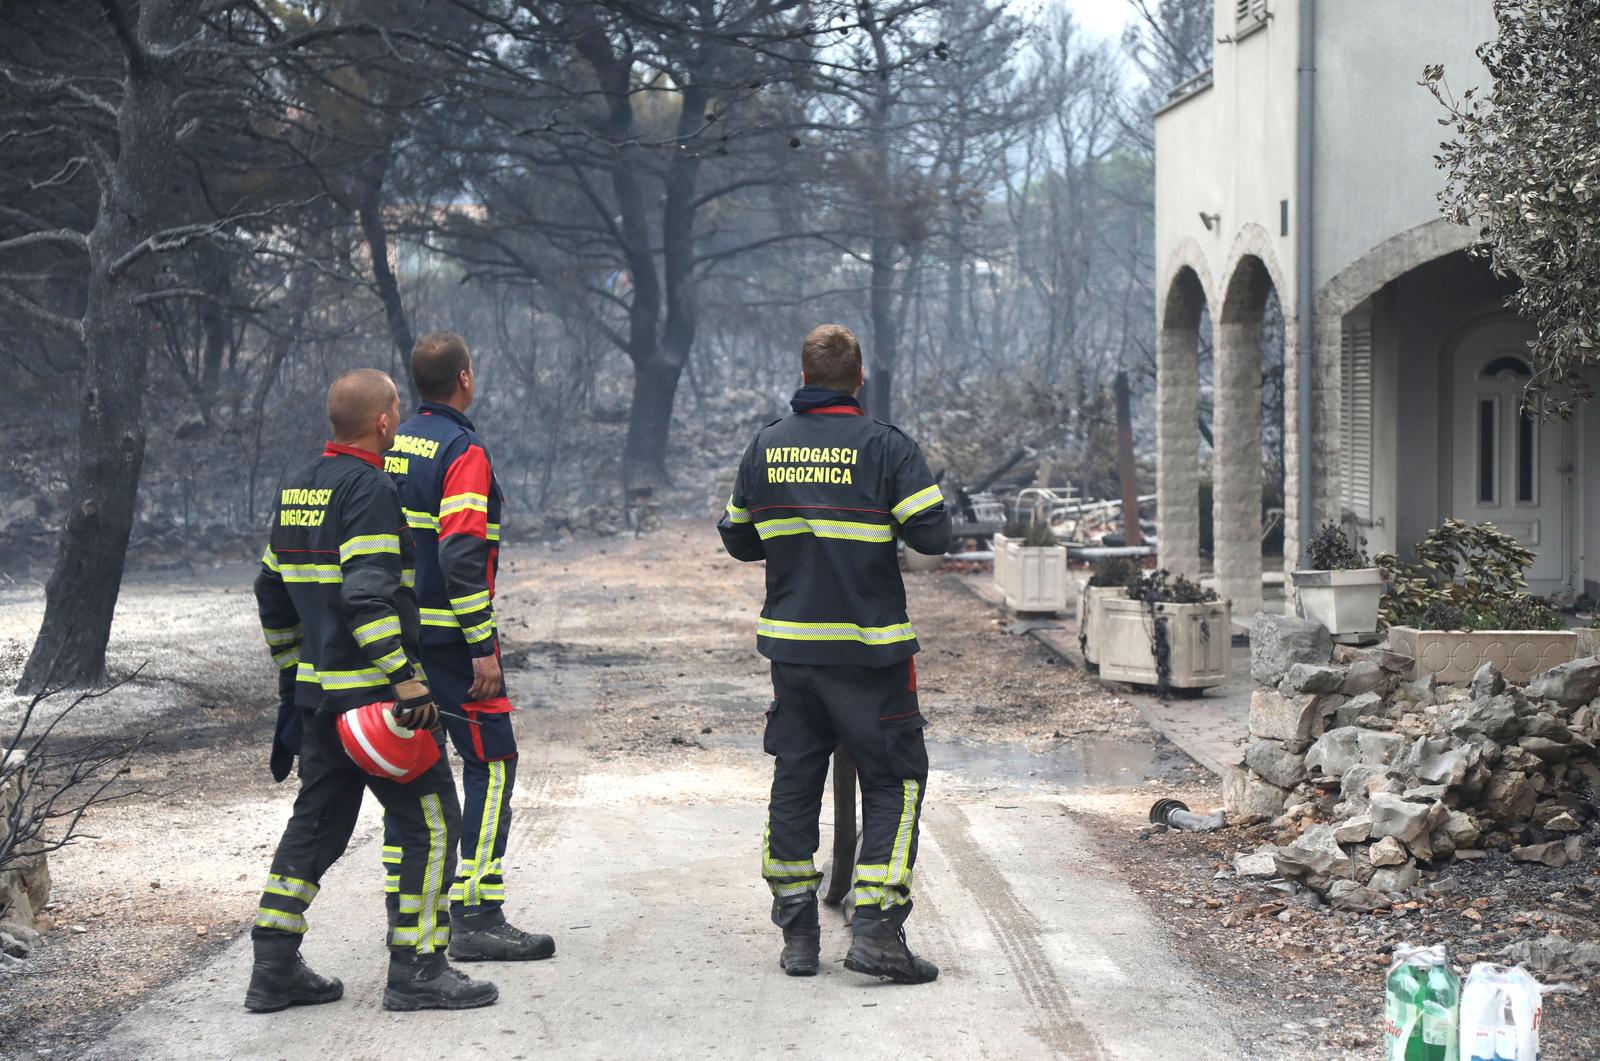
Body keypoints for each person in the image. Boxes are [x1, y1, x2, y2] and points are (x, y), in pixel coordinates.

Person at [247, 368, 498, 1013]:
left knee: (317, 827)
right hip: (377, 706)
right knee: (432, 822)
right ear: (385, 421)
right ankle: (418, 968)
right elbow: (367, 595)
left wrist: (291, 675)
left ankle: (273, 965)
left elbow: (271, 593)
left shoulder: (297, 486)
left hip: (317, 701)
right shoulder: (370, 490)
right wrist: (406, 679)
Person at [718, 324, 952, 984]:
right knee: (896, 780)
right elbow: (934, 533)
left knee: (795, 778)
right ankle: (876, 930)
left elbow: (738, 536)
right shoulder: (883, 447)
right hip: (870, 657)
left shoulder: (766, 446)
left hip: (793, 655)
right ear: (859, 380)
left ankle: (798, 931)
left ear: (802, 374)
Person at [382, 332, 554, 962]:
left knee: (410, 771)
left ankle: (410, 909)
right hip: (454, 641)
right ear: (464, 378)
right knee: (493, 761)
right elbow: (460, 551)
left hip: (399, 642)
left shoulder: (390, 444)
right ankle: (477, 914)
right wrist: (483, 644)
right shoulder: (463, 450)